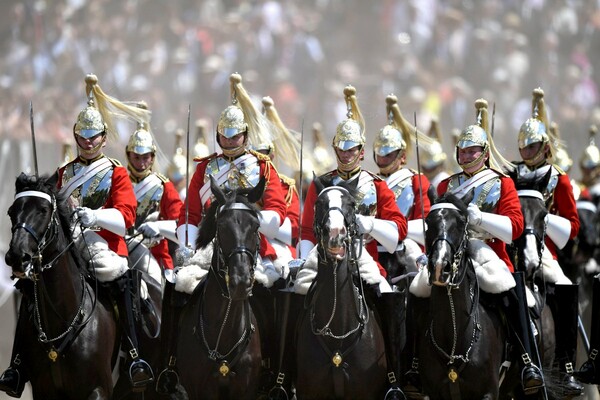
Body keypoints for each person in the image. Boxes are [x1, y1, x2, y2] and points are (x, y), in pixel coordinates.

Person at [0, 74, 154, 397]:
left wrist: (93, 215)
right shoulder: (63, 174)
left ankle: (134, 356)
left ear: (103, 137)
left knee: (121, 276)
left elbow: (125, 218)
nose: (87, 142)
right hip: (67, 245)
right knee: (30, 287)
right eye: (82, 137)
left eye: (93, 137)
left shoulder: (116, 172)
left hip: (103, 247)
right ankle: (17, 364)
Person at [155, 73, 290, 395]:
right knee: (178, 287)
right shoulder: (205, 168)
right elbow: (190, 213)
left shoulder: (262, 167)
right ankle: (170, 364)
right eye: (224, 135)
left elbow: (276, 209)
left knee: (277, 292)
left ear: (245, 135)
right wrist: (187, 246)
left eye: (235, 135)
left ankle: (275, 369)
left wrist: (254, 223)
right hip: (211, 246)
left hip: (251, 244)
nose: (229, 141)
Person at [293, 84, 408, 398]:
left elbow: (398, 229)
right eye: (340, 150)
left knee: (386, 295)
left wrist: (365, 223)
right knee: (294, 292)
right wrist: (302, 259)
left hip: (362, 253)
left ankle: (395, 377)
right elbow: (305, 230)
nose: (345, 155)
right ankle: (283, 374)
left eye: (351, 149)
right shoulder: (321, 184)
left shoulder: (377, 186)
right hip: (323, 252)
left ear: (361, 151)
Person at [434, 98, 545, 395]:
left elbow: (514, 228)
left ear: (484, 153)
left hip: (488, 252)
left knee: (510, 292)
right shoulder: (446, 186)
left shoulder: (501, 182)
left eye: (472, 150)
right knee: (420, 291)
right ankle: (414, 364)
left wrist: (480, 217)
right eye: (462, 150)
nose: (466, 155)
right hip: (453, 251)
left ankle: (527, 360)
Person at [512, 88, 583, 396]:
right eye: (523, 147)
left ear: (544, 147)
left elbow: (573, 227)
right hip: (513, 248)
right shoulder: (510, 175)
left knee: (565, 288)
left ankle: (566, 367)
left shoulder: (559, 179)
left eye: (532, 147)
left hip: (545, 252)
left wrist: (541, 219)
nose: (527, 152)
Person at [125, 101, 183, 280]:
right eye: (136, 157)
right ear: (128, 155)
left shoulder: (164, 186)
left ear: (152, 157)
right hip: (122, 255)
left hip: (156, 257)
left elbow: (180, 223)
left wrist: (158, 227)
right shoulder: (120, 183)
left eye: (145, 157)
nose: (141, 163)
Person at [419, 116, 451, 200]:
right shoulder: (420, 180)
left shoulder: (443, 179)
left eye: (432, 167)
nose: (428, 170)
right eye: (426, 168)